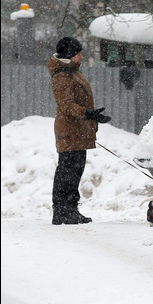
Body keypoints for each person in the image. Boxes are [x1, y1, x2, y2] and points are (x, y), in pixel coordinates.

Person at [48, 36, 111, 225]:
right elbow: (66, 105)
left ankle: (69, 209)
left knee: (75, 170)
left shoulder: (71, 72)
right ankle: (62, 210)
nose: (81, 57)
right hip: (69, 131)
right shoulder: (62, 75)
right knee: (67, 170)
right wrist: (88, 114)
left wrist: (90, 117)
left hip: (78, 130)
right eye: (77, 54)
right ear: (69, 55)